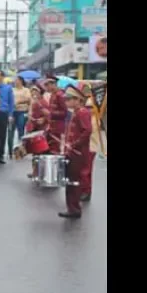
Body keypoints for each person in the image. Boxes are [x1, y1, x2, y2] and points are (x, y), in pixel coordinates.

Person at [59, 85, 92, 218]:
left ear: (77, 100)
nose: (66, 102)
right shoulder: (76, 113)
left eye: (69, 100)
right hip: (73, 151)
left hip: (78, 153)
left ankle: (74, 209)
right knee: (70, 180)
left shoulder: (83, 113)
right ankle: (72, 207)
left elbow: (87, 131)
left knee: (73, 181)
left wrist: (75, 144)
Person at [81, 94, 101, 202]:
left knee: (85, 171)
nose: (88, 109)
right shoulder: (88, 117)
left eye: (90, 107)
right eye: (87, 107)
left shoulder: (94, 119)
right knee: (85, 170)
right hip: (86, 146)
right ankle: (85, 190)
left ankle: (86, 191)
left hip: (90, 146)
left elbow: (87, 132)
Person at [43, 74, 67, 154]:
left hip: (58, 127)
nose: (46, 87)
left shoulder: (60, 95)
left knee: (55, 149)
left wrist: (50, 113)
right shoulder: (53, 95)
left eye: (47, 85)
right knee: (50, 148)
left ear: (53, 84)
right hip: (51, 126)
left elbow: (65, 113)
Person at [7, 76, 31, 155]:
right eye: (15, 80)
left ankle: (21, 149)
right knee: (10, 131)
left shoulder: (26, 90)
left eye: (17, 80)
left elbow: (28, 99)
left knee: (21, 130)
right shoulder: (11, 90)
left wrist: (19, 101)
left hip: (22, 111)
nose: (15, 81)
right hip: (12, 112)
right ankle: (10, 150)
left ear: (21, 81)